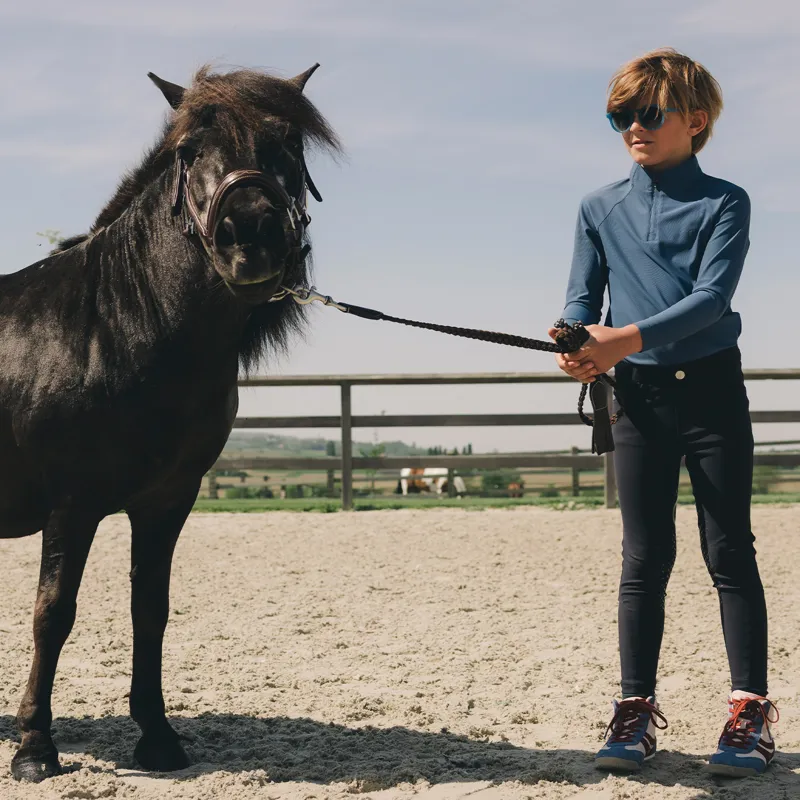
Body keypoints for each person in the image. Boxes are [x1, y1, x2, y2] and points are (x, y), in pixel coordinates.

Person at [551, 48, 777, 777]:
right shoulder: (597, 207)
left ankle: (748, 712)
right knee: (644, 559)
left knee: (728, 552)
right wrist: (577, 342)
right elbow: (581, 300)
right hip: (638, 400)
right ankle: (635, 709)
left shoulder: (727, 202)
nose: (632, 128)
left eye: (648, 114)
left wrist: (622, 338)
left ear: (697, 120)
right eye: (620, 116)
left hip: (712, 391)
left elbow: (712, 300)